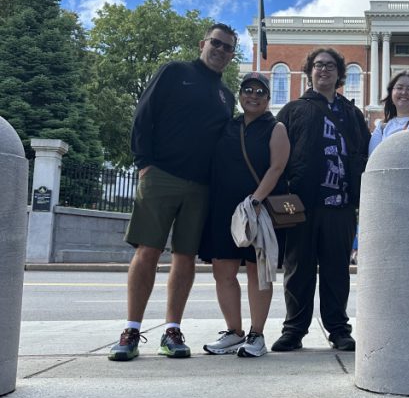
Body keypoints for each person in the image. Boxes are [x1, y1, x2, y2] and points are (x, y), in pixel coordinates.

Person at [109, 24, 237, 361]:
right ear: (202, 44)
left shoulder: (227, 96)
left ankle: (172, 330)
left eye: (228, 48)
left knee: (184, 258)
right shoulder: (174, 72)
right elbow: (143, 114)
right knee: (147, 251)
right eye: (216, 43)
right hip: (161, 175)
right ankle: (131, 329)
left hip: (201, 187)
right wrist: (143, 163)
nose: (221, 51)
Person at [272, 48, 369, 352]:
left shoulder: (352, 114)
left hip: (340, 204)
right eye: (318, 66)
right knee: (297, 268)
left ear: (339, 74)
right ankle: (294, 329)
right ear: (310, 72)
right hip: (299, 203)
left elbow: (363, 156)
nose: (323, 70)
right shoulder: (292, 110)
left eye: (329, 66)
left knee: (336, 270)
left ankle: (338, 329)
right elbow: (275, 157)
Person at [199, 73, 289, 357]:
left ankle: (256, 335)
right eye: (248, 90)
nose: (253, 95)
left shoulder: (275, 128)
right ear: (240, 95)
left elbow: (277, 168)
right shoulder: (228, 125)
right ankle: (234, 332)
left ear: (267, 98)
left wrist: (255, 199)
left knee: (256, 271)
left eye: (260, 92)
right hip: (224, 208)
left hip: (257, 209)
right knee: (222, 270)